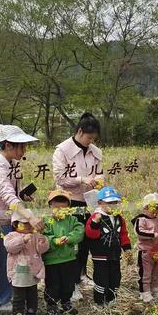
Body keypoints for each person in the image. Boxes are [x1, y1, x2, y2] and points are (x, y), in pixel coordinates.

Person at [0, 124, 43, 312]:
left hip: (9, 216)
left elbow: (10, 192)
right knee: (4, 260)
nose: (24, 151)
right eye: (21, 146)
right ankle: (2, 299)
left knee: (8, 258)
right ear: (7, 145)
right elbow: (6, 195)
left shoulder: (12, 162)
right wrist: (29, 216)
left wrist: (22, 195)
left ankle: (7, 297)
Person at [52, 113, 104, 301]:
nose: (91, 141)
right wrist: (82, 179)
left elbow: (100, 173)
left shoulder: (95, 151)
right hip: (68, 201)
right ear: (79, 132)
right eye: (89, 137)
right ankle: (70, 283)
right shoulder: (62, 150)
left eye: (94, 139)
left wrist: (98, 182)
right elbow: (59, 178)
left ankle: (81, 275)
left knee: (86, 240)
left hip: (89, 200)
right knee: (70, 242)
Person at [85, 186, 132, 306]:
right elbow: (91, 234)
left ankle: (112, 299)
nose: (112, 205)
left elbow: (123, 234)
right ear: (100, 203)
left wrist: (127, 249)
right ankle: (99, 301)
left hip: (115, 255)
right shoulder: (95, 217)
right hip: (100, 255)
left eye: (114, 202)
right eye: (109, 202)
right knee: (101, 279)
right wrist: (95, 223)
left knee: (115, 278)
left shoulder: (119, 218)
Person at [42, 190, 85, 315]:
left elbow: (79, 231)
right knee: (52, 284)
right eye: (56, 205)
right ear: (50, 205)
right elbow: (43, 237)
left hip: (69, 258)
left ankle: (66, 302)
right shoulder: (45, 220)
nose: (60, 208)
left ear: (69, 207)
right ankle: (51, 306)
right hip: (52, 260)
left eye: (64, 206)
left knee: (68, 283)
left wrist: (70, 238)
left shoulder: (72, 219)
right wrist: (53, 240)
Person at [4, 209, 49, 315]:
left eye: (30, 222)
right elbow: (10, 248)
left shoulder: (35, 236)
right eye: (25, 223)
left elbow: (42, 250)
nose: (29, 225)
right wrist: (22, 240)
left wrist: (42, 240)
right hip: (18, 274)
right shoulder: (11, 236)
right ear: (15, 224)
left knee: (32, 294)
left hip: (32, 272)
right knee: (18, 297)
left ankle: (31, 313)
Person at [131, 193, 158, 303]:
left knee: (156, 271)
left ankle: (154, 288)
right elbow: (139, 232)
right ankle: (144, 291)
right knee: (145, 272)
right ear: (146, 208)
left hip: (157, 251)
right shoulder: (141, 220)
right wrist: (153, 234)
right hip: (145, 252)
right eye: (153, 208)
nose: (155, 211)